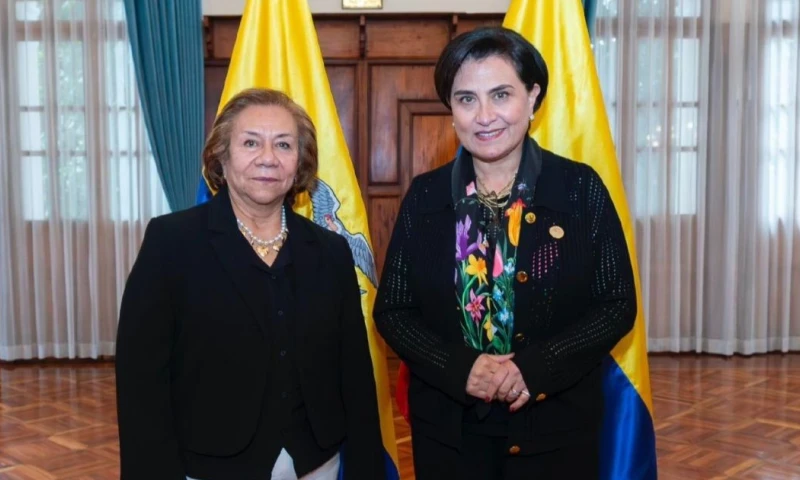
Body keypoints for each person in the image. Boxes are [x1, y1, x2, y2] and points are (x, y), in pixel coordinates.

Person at [374, 26, 636, 479]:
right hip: (449, 434)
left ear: (533, 97)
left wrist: (536, 368)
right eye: (467, 99)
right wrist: (461, 368)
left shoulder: (580, 189)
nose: (484, 115)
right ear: (451, 109)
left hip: (557, 429)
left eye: (501, 95)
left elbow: (617, 305)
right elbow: (393, 310)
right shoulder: (425, 196)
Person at [115, 88, 385, 480]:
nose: (268, 158)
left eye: (284, 145)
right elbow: (142, 378)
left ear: (300, 161)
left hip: (316, 462)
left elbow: (354, 374)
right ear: (222, 156)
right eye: (250, 142)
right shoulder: (171, 242)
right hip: (210, 464)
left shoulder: (330, 251)